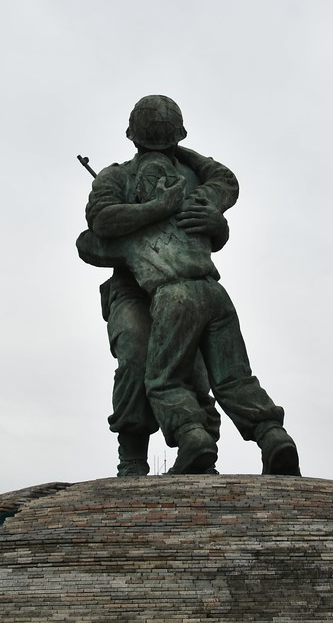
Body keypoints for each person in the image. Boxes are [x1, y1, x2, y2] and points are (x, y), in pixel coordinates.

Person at [77, 95, 300, 475]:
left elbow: (218, 201)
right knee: (136, 355)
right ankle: (135, 456)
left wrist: (217, 226)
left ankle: (199, 441)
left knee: (187, 373)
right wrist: (158, 212)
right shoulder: (117, 177)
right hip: (137, 288)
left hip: (174, 290)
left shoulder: (193, 177)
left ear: (131, 133)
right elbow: (96, 230)